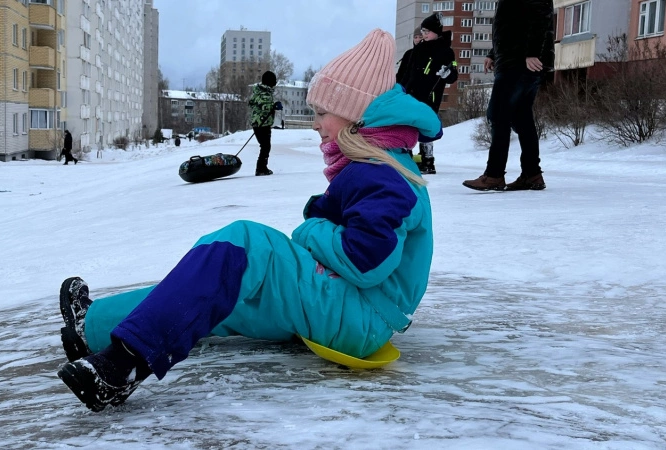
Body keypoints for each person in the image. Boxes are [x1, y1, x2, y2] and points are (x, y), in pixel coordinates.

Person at [55, 29, 442, 412]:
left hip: (361, 316)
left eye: (322, 113)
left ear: (356, 115)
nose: (316, 124)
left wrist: (313, 229)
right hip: (347, 309)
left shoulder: (385, 174)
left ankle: (122, 366)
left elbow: (365, 260)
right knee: (221, 288)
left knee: (243, 244)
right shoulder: (374, 165)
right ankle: (94, 326)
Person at [462, 0, 554, 191]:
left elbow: (541, 17)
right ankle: (532, 174)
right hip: (514, 59)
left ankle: (494, 175)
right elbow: (510, 25)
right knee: (522, 118)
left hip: (520, 62)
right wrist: (493, 53)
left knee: (498, 114)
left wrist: (532, 53)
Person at [396, 13, 458, 175]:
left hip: (430, 96)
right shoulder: (417, 50)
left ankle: (427, 158)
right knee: (406, 124)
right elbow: (406, 73)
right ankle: (406, 155)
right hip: (409, 94)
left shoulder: (446, 51)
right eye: (422, 31)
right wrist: (399, 89)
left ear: (436, 31)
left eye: (426, 31)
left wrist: (447, 74)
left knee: (426, 125)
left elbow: (453, 73)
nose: (423, 35)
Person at [247, 71, 282, 176]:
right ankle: (261, 169)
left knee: (265, 146)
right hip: (262, 123)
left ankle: (262, 167)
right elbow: (264, 106)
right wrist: (274, 106)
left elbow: (253, 103)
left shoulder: (260, 91)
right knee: (265, 146)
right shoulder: (264, 93)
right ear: (270, 82)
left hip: (260, 122)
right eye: (274, 81)